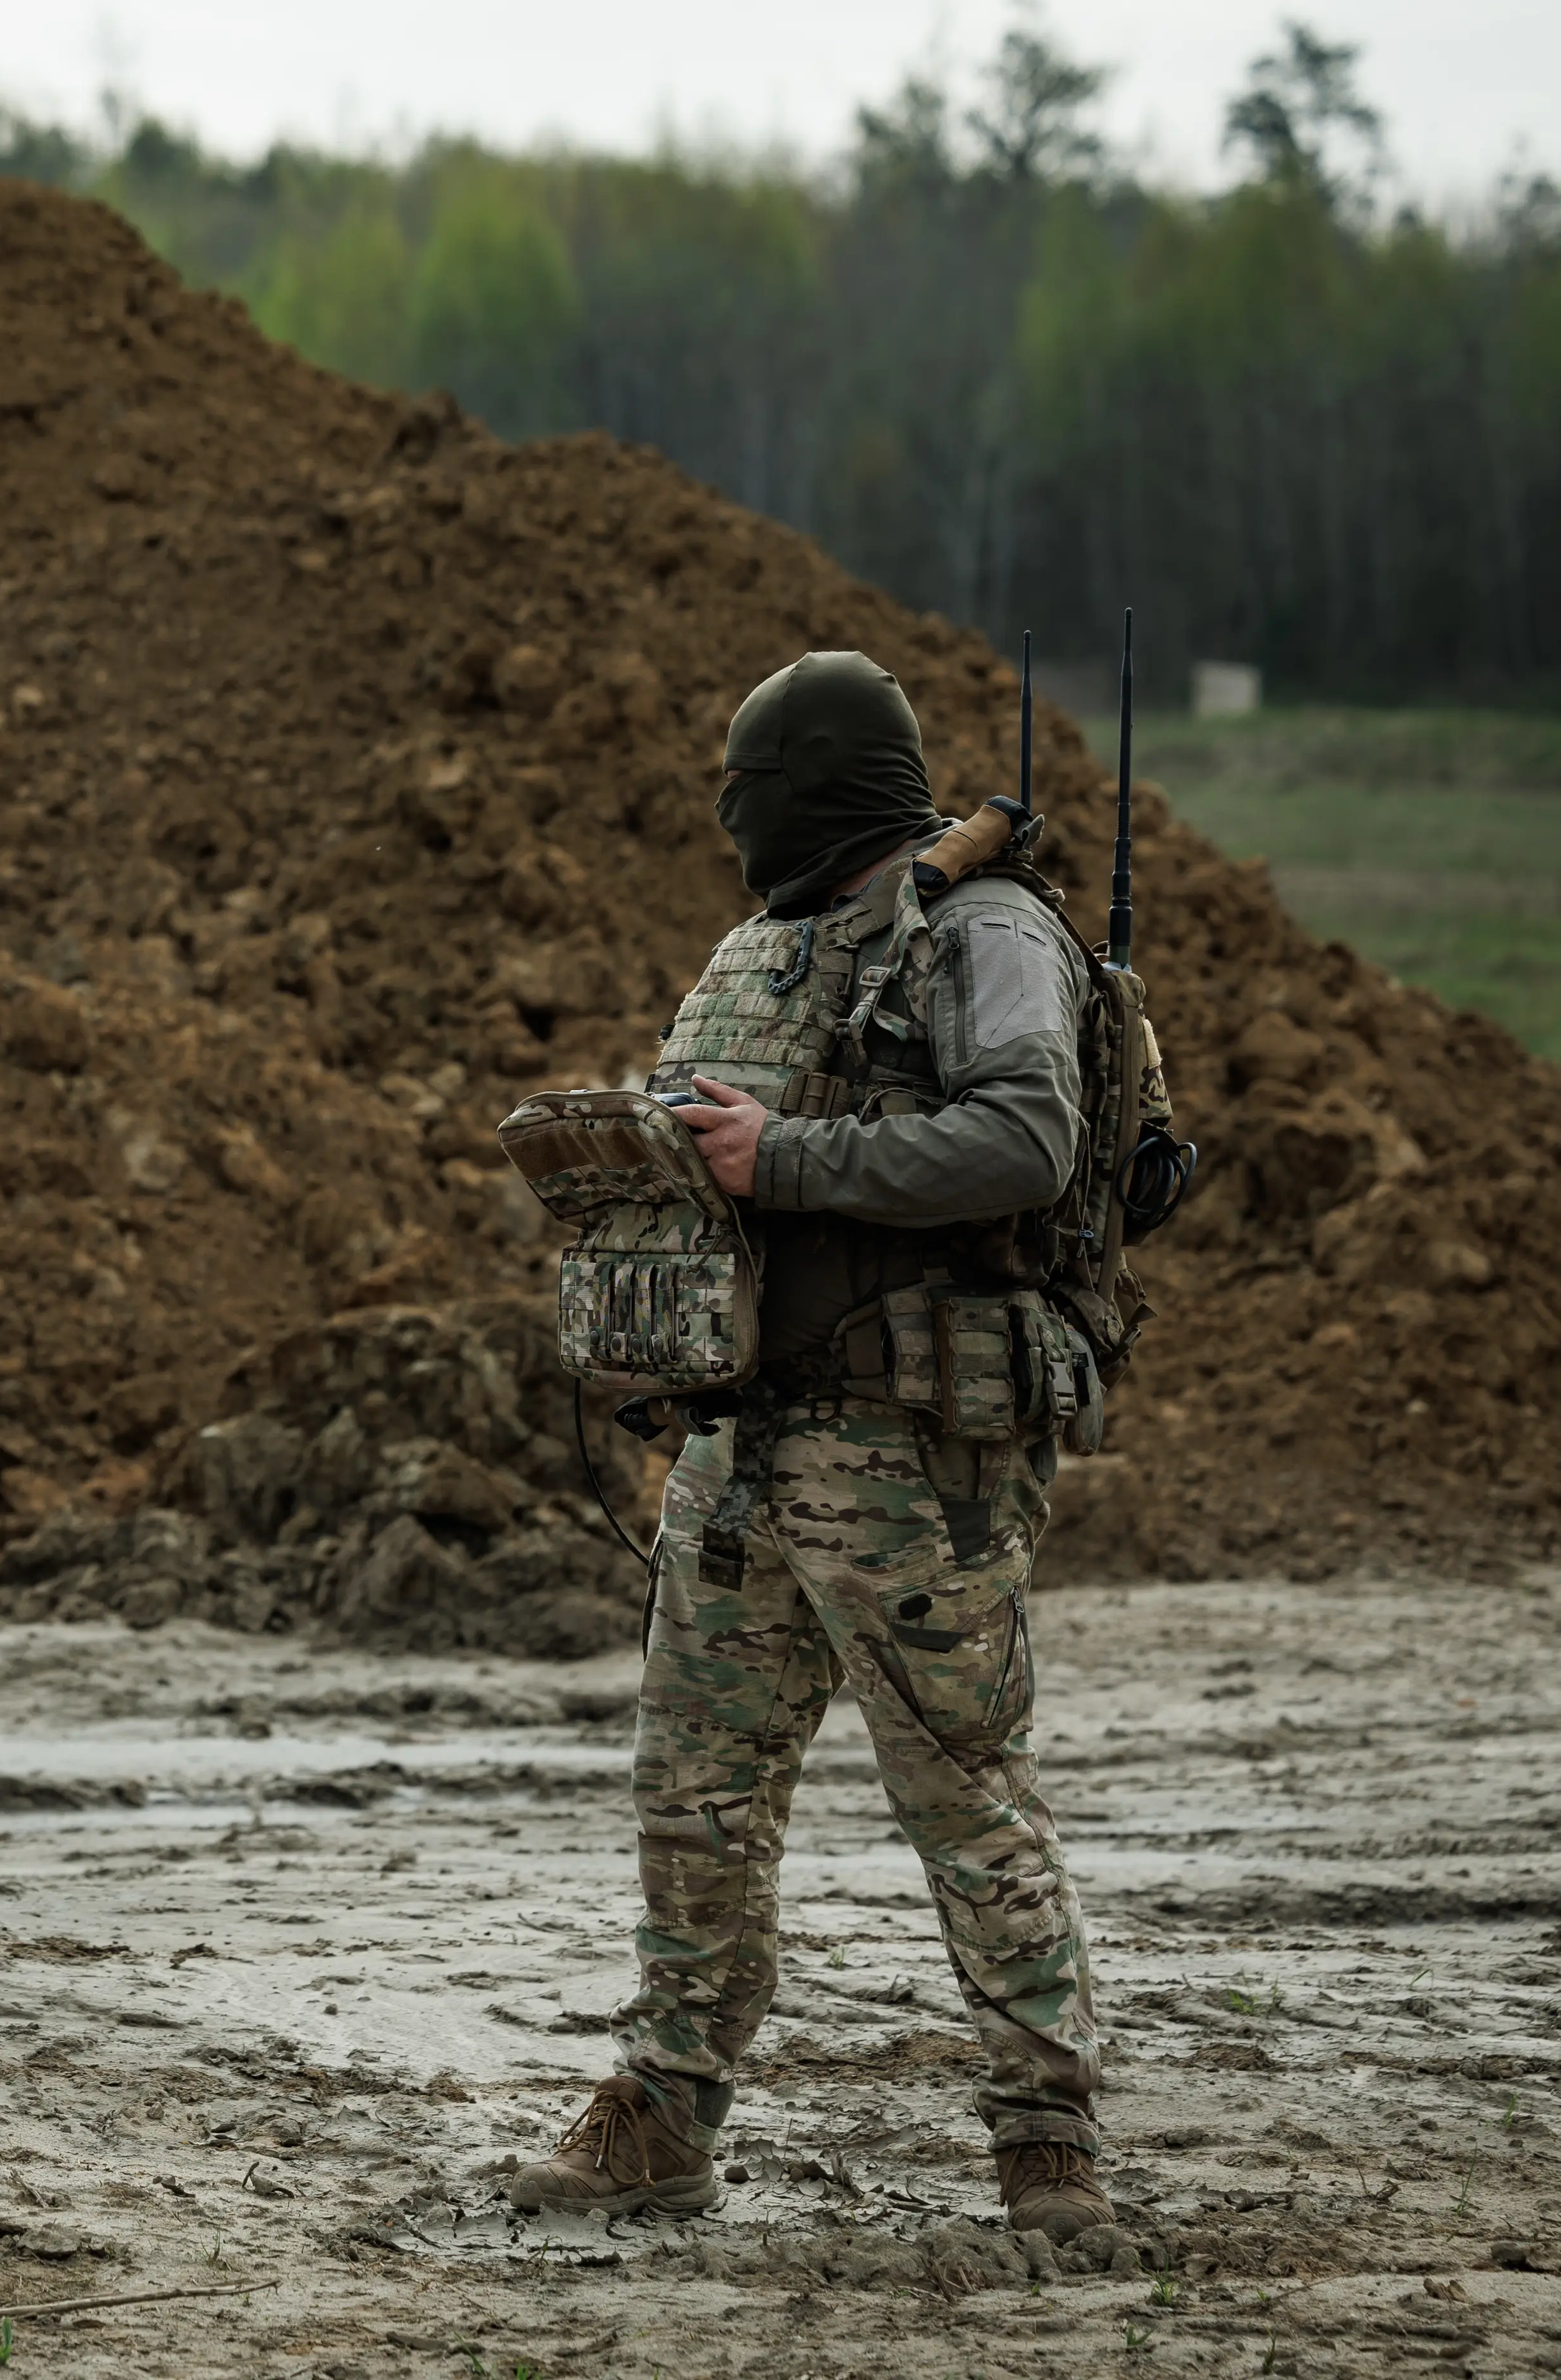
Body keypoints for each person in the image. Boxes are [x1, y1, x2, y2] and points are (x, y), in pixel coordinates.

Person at [508, 650, 1112, 2239]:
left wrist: (780, 1157)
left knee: (963, 1791)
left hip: (913, 1446)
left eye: (753, 792)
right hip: (746, 1440)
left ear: (817, 788)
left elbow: (1027, 1137)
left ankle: (1048, 2140)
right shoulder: (776, 946)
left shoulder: (985, 932)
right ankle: (661, 2112)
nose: (738, 823)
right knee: (693, 1793)